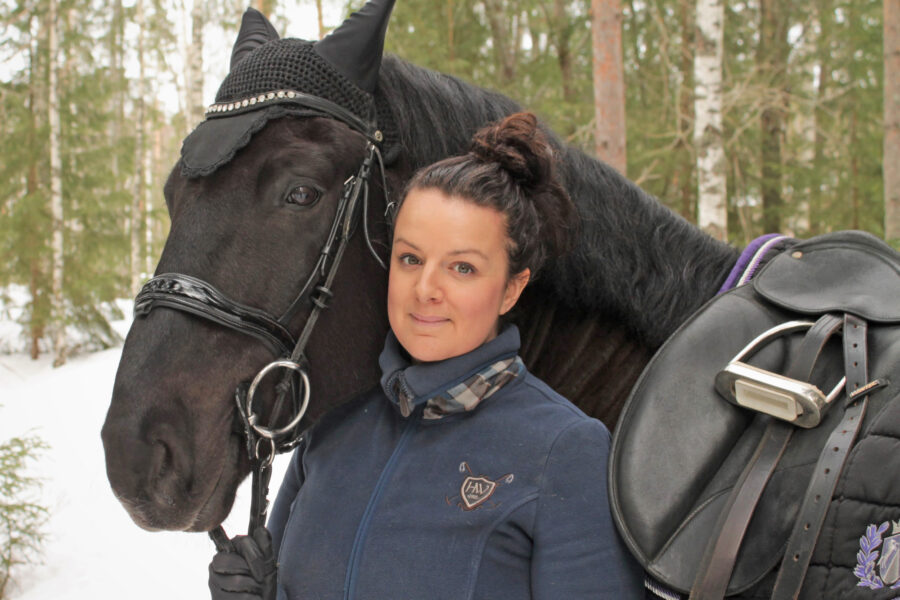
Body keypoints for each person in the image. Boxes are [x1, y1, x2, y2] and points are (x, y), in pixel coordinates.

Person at [208, 112, 644, 599]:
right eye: (410, 259)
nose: (426, 289)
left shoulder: (564, 449)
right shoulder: (333, 424)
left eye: (462, 267)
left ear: (510, 289)